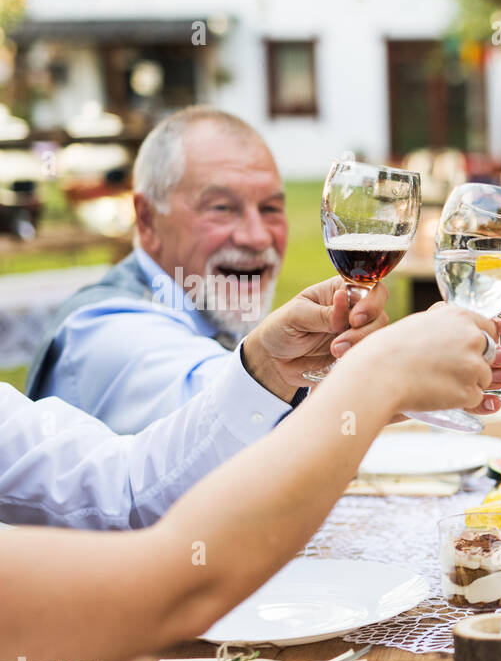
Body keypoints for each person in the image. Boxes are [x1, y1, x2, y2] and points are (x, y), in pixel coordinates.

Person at [1, 303, 501, 661]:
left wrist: (267, 373)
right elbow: (175, 582)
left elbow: (125, 490)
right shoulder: (111, 321)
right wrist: (376, 377)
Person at [26, 107, 370, 433]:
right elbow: (221, 413)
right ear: (146, 219)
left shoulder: (205, 311)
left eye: (269, 209)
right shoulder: (103, 332)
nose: (256, 237)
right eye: (221, 207)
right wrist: (375, 371)